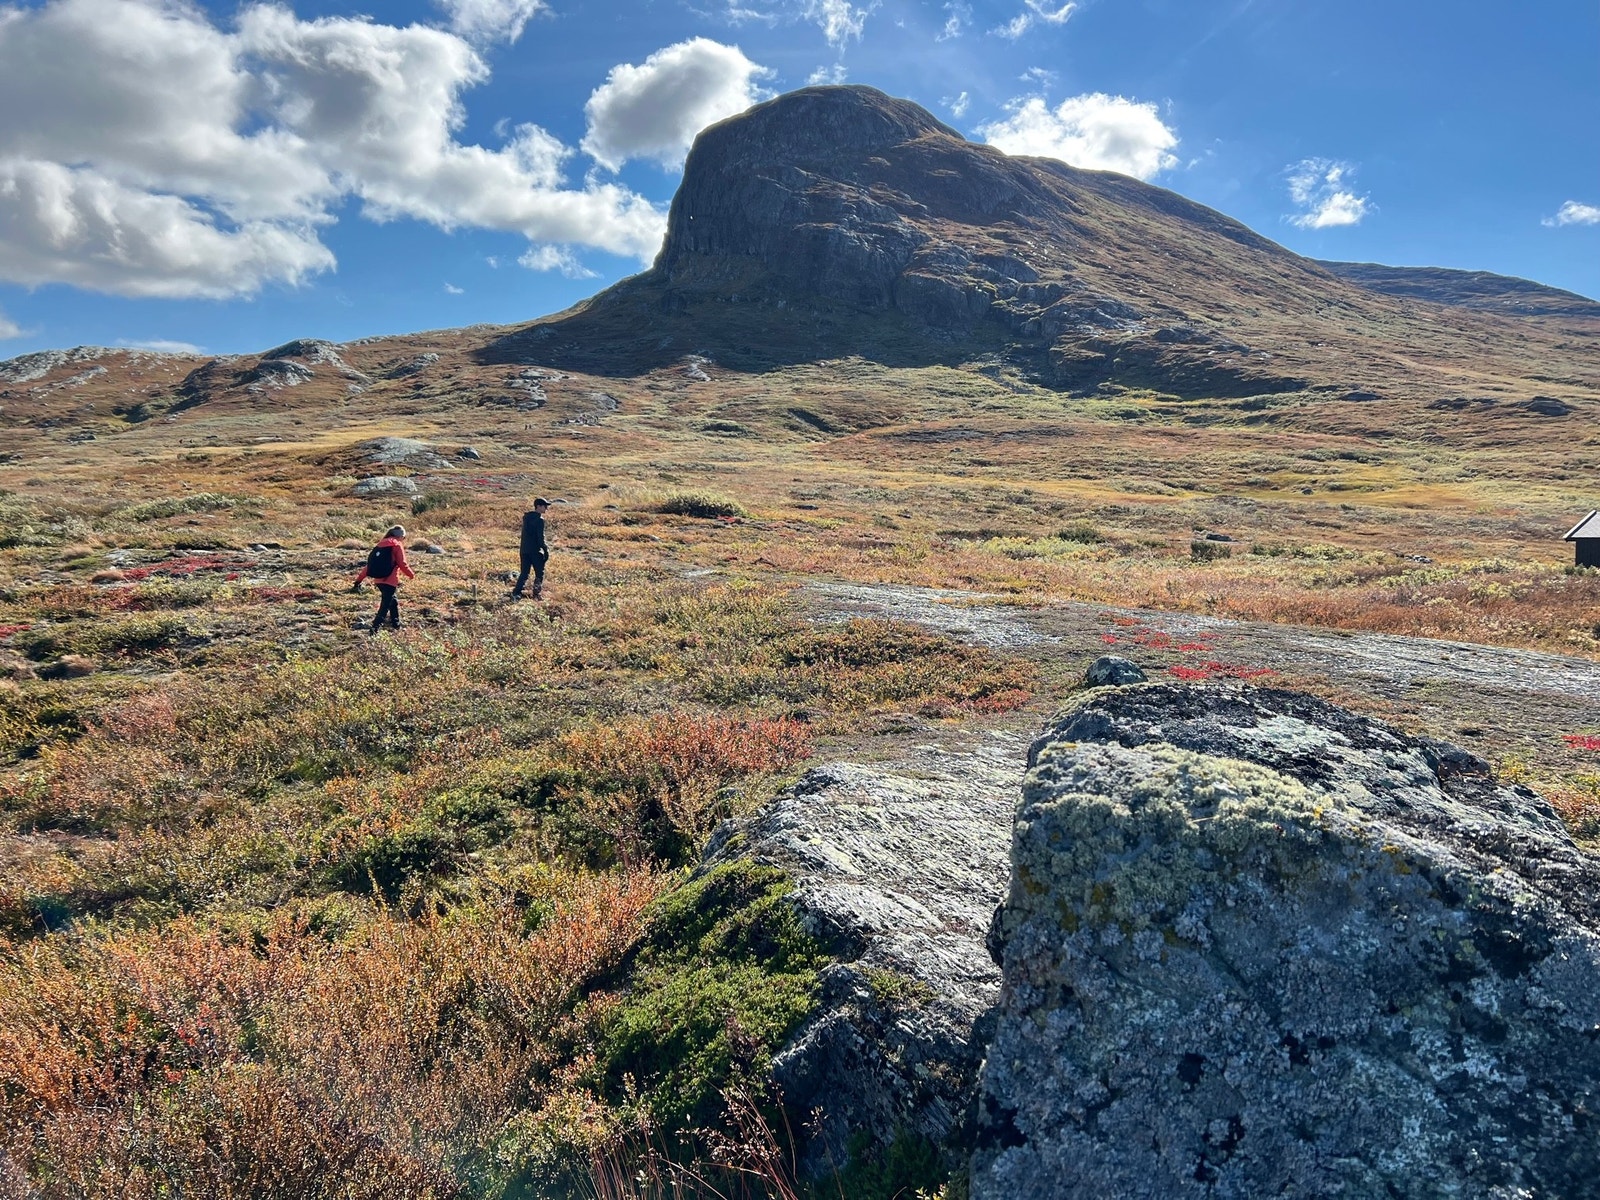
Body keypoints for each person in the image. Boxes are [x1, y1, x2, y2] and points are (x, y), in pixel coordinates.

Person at [351, 525, 415, 633]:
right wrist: (411, 575)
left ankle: (396, 625)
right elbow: (402, 563)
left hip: (378, 580)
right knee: (385, 605)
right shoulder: (396, 545)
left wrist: (358, 580)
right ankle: (374, 629)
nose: (403, 540)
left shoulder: (380, 545)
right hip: (390, 581)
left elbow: (369, 566)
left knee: (392, 602)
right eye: (404, 538)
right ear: (400, 536)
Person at [513, 498, 550, 599]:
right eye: (544, 506)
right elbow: (540, 537)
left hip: (524, 550)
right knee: (539, 573)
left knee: (524, 573)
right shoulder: (540, 520)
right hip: (535, 551)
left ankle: (516, 592)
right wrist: (545, 550)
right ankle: (536, 594)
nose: (546, 508)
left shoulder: (527, 518)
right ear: (538, 506)